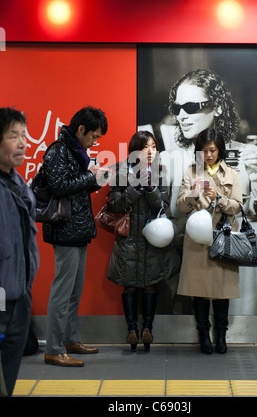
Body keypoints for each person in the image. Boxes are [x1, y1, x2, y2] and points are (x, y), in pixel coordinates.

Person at [161, 68, 257, 251]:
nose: (181, 116)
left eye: (190, 107)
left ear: (217, 107)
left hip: (237, 265)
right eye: (176, 108)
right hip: (187, 265)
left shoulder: (247, 154)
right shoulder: (168, 159)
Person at [42, 106, 108, 367]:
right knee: (62, 291)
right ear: (80, 129)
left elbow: (75, 186)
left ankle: (69, 339)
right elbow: (58, 187)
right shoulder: (58, 150)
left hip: (78, 230)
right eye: (93, 136)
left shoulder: (76, 151)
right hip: (65, 230)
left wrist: (95, 179)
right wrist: (90, 176)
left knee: (73, 292)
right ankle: (54, 348)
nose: (94, 142)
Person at [107, 131, 180, 352]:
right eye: (145, 147)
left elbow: (162, 207)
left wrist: (149, 188)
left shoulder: (160, 172)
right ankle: (131, 331)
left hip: (152, 238)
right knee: (129, 286)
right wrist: (136, 187)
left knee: (150, 285)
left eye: (154, 147)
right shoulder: (120, 170)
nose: (150, 151)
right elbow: (114, 206)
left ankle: (147, 329)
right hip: (128, 239)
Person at [176, 129, 243, 354]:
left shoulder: (232, 174)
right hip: (197, 239)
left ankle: (221, 336)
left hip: (223, 238)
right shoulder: (191, 172)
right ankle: (203, 335)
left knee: (222, 291)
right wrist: (195, 194)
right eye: (203, 151)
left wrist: (220, 199)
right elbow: (179, 206)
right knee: (200, 289)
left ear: (220, 149)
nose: (208, 155)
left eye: (212, 150)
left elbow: (238, 207)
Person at [0, 107, 39, 396]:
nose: (23, 142)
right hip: (1, 297)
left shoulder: (18, 184)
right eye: (13, 135)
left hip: (19, 295)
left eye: (24, 135)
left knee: (9, 372)